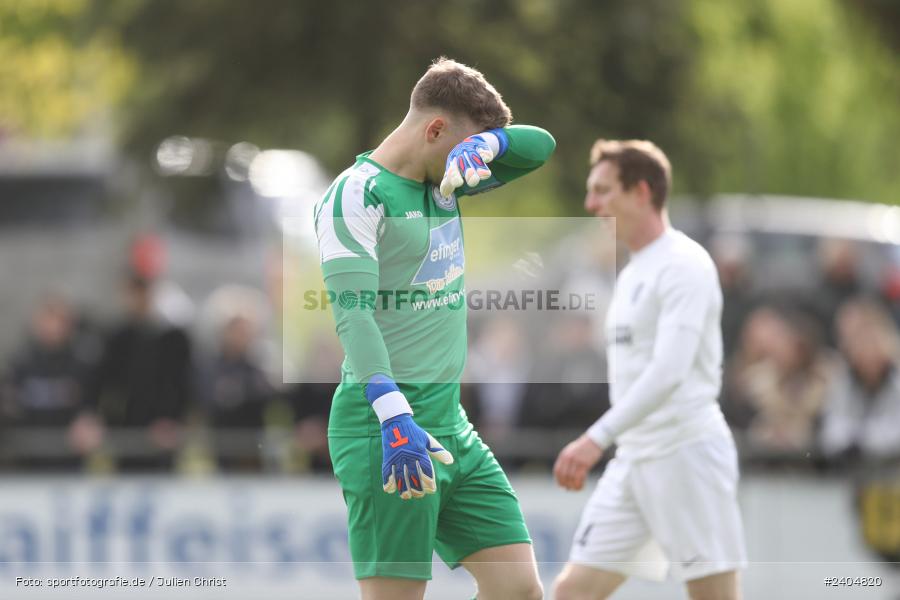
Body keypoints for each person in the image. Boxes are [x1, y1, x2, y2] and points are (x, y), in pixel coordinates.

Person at [314, 57, 554, 600]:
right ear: (435, 129)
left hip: (451, 421)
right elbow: (353, 312)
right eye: (466, 146)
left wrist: (491, 146)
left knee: (519, 590)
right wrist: (392, 413)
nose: (471, 168)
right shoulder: (355, 196)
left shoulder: (447, 177)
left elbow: (542, 146)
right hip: (385, 425)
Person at [552, 139, 746, 600]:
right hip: (635, 459)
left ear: (641, 191)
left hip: (686, 455)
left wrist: (594, 438)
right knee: (571, 593)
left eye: (602, 190)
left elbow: (670, 371)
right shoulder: (635, 270)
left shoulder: (684, 264)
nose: (590, 203)